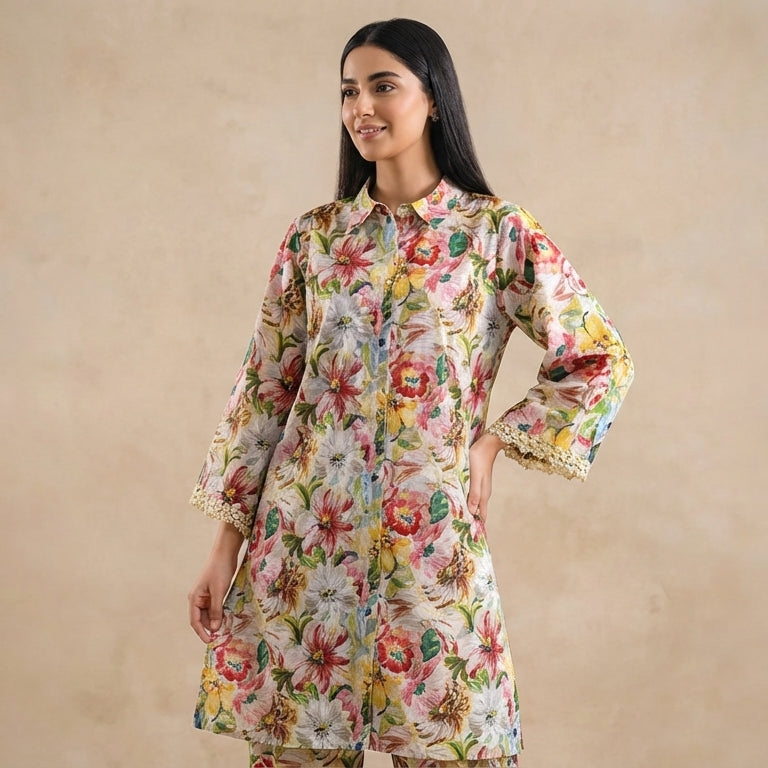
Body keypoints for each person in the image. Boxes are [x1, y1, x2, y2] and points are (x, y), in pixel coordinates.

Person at [187, 17, 633, 768]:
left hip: (430, 548)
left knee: (459, 745)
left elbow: (597, 357)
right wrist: (222, 550)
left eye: (383, 86)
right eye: (348, 91)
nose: (362, 106)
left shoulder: (493, 235)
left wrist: (496, 441)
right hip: (301, 554)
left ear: (434, 99)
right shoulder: (315, 240)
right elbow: (264, 391)